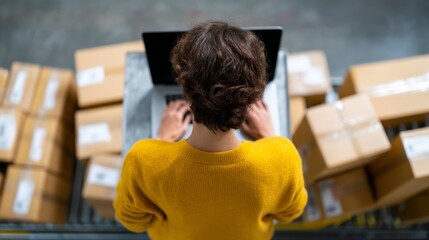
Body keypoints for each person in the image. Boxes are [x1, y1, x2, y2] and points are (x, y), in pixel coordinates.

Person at [114, 21, 307, 240]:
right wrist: (271, 139)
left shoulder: (143, 160)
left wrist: (160, 140)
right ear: (252, 98)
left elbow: (133, 221)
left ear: (187, 94)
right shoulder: (283, 157)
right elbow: (289, 213)